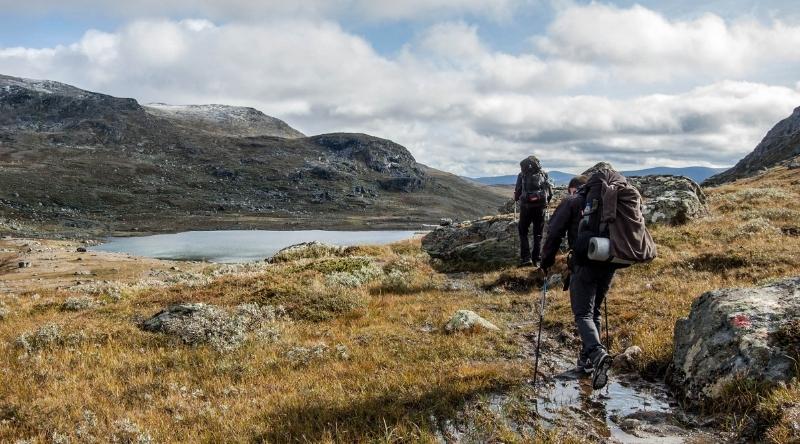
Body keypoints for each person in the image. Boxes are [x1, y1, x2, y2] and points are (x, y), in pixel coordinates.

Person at [540, 168, 617, 390]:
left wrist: (545, 262)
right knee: (594, 311)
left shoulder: (573, 201)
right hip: (611, 259)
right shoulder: (611, 199)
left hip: (585, 262)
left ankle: (596, 353)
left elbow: (553, 233)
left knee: (582, 312)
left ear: (577, 188)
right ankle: (587, 362)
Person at [514, 156, 552, 267]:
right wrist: (545, 203)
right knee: (538, 233)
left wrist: (517, 197)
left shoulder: (521, 175)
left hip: (526, 208)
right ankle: (537, 259)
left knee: (523, 231)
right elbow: (549, 192)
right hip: (540, 207)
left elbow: (517, 193)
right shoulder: (544, 174)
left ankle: (526, 258)